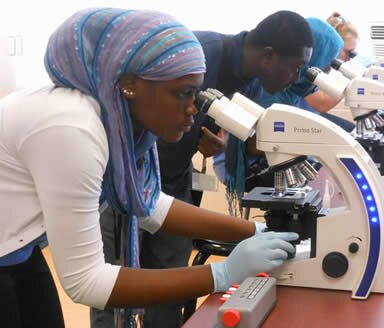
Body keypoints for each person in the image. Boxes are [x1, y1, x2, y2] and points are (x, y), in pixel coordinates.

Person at [0, 7, 299, 328]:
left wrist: (254, 231)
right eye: (182, 94)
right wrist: (222, 274)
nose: (191, 111)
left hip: (18, 248)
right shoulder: (75, 129)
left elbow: (148, 205)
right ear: (130, 84)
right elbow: (86, 281)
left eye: (194, 95)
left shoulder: (110, 119)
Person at [92, 10, 314, 328]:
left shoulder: (251, 85)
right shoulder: (199, 52)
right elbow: (90, 282)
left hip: (172, 182)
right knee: (113, 291)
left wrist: (212, 143)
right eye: (295, 68)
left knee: (170, 286)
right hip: (122, 181)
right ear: (268, 55)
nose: (295, 78)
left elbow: (208, 132)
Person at [213, 17, 354, 213]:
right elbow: (254, 147)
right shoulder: (271, 89)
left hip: (272, 159)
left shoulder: (292, 90)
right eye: (326, 63)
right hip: (244, 167)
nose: (326, 70)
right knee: (325, 172)